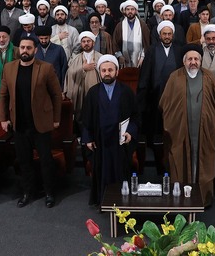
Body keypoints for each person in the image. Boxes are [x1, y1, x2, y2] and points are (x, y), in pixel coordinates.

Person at [0, 36, 62, 208]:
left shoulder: (46, 68)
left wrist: (56, 119)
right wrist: (3, 118)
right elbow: (3, 95)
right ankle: (27, 192)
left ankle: (49, 193)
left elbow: (56, 95)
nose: (25, 51)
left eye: (28, 48)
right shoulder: (9, 68)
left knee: (46, 161)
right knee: (24, 161)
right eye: (22, 47)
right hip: (19, 124)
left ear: (35, 50)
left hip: (41, 124)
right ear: (18, 49)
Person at [159, 44, 215, 206]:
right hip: (180, 130)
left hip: (204, 130)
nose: (193, 62)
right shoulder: (175, 77)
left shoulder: (208, 77)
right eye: (190, 59)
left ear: (200, 61)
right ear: (184, 61)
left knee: (203, 162)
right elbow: (165, 104)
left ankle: (202, 197)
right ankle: (180, 197)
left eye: (196, 59)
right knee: (181, 161)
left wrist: (213, 124)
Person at [82, 54, 139, 206]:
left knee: (120, 171)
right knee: (102, 171)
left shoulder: (126, 91)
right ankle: (103, 202)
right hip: (100, 142)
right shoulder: (93, 93)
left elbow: (135, 116)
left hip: (119, 143)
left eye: (110, 70)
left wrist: (130, 132)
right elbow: (86, 118)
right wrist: (88, 138)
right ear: (100, 72)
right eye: (104, 70)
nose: (107, 73)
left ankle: (121, 202)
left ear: (117, 71)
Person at [137, 21, 183, 172]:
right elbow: (145, 75)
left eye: (169, 34)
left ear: (173, 35)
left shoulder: (179, 50)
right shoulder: (152, 50)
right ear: (160, 35)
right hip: (155, 96)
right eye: (164, 34)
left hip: (176, 97)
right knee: (156, 129)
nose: (167, 36)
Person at [63, 31, 102, 136]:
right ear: (81, 44)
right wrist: (83, 68)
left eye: (88, 41)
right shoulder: (75, 58)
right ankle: (82, 136)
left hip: (95, 93)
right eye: (83, 41)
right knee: (80, 115)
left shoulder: (100, 57)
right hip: (79, 92)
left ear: (93, 43)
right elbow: (70, 74)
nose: (86, 43)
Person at [112, 0, 150, 67]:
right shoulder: (120, 25)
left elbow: (147, 43)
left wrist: (142, 57)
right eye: (128, 9)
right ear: (125, 11)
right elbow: (115, 43)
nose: (130, 11)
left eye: (132, 9)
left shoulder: (142, 25)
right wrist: (119, 56)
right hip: (124, 60)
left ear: (136, 11)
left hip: (139, 60)